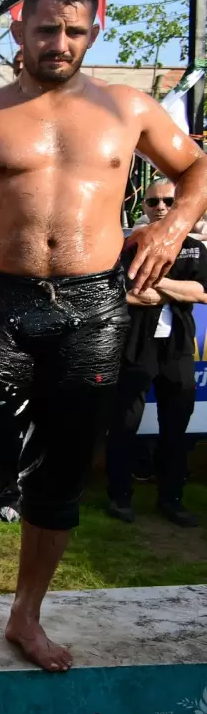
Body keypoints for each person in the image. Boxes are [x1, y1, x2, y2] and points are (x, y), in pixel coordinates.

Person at [0, 0, 207, 685]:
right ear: (19, 29)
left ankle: (26, 615)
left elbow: (197, 167)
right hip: (0, 305)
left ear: (94, 32)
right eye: (47, 29)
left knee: (63, 472)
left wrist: (174, 222)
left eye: (75, 31)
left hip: (93, 308)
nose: (60, 42)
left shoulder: (128, 108)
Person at [105, 177, 205, 527]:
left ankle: (171, 499)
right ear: (144, 207)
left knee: (176, 427)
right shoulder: (126, 247)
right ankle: (119, 498)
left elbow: (202, 292)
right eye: (153, 201)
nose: (161, 207)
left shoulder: (193, 248)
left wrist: (156, 282)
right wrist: (178, 290)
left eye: (169, 201)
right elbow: (119, 293)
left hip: (177, 349)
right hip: (135, 347)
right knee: (124, 424)